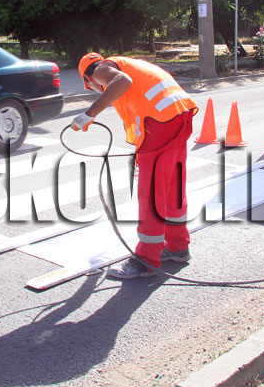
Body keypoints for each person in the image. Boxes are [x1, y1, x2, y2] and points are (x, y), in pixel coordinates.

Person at [72, 53, 197, 279]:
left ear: (88, 78)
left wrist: (89, 113)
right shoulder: (128, 64)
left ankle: (146, 261)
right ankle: (178, 247)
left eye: (90, 86)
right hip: (180, 115)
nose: (97, 89)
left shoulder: (101, 69)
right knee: (172, 188)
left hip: (160, 124)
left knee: (151, 195)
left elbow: (122, 81)